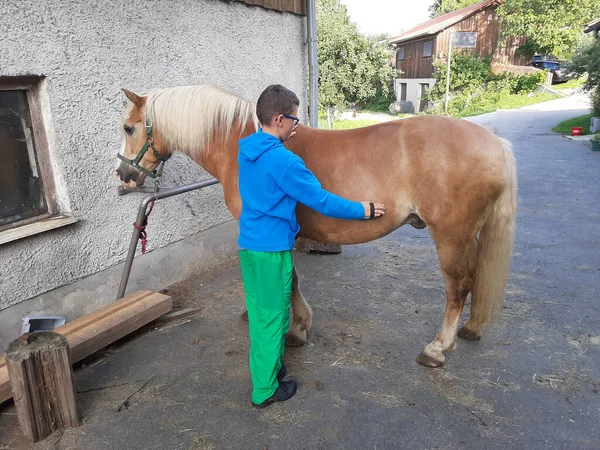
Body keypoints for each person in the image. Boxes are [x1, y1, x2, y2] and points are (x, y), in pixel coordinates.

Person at [238, 84, 385, 408]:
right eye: (294, 119)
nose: (297, 126)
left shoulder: (246, 150)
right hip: (271, 251)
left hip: (249, 247)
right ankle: (264, 390)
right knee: (273, 319)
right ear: (278, 119)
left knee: (263, 313)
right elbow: (321, 201)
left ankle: (270, 369)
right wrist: (364, 210)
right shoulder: (284, 161)